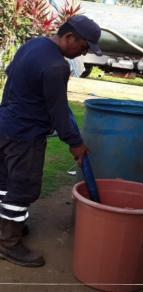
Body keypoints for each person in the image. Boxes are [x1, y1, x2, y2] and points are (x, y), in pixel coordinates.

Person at [0, 15, 101, 267]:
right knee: (23, 188)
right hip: (24, 135)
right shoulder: (57, 66)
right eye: (83, 47)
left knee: (4, 182)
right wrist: (75, 142)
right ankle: (8, 243)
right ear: (69, 38)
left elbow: (10, 76)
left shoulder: (32, 45)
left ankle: (5, 227)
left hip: (4, 125)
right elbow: (57, 111)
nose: (82, 53)